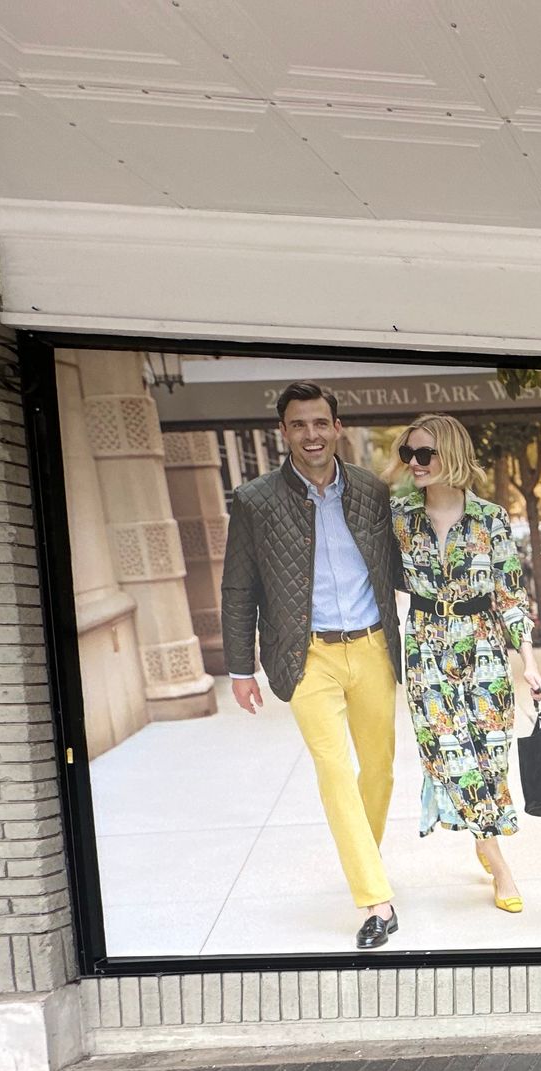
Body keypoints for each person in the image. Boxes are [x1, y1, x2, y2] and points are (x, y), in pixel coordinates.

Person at [222, 382, 406, 950]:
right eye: (299, 425)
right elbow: (239, 585)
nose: (311, 435)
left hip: (373, 646)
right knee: (333, 771)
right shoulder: (255, 501)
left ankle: (361, 861)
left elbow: (400, 567)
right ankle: (377, 900)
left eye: (320, 423)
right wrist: (239, 667)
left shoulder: (373, 491)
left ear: (337, 427)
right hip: (306, 655)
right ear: (284, 432)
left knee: (378, 769)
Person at [389, 413, 541, 911]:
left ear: (451, 455)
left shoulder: (491, 518)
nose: (415, 463)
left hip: (483, 649)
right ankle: (499, 863)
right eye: (408, 454)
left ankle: (482, 838)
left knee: (491, 756)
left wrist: (530, 663)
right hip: (426, 649)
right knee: (453, 756)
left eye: (425, 454)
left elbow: (510, 595)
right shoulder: (397, 516)